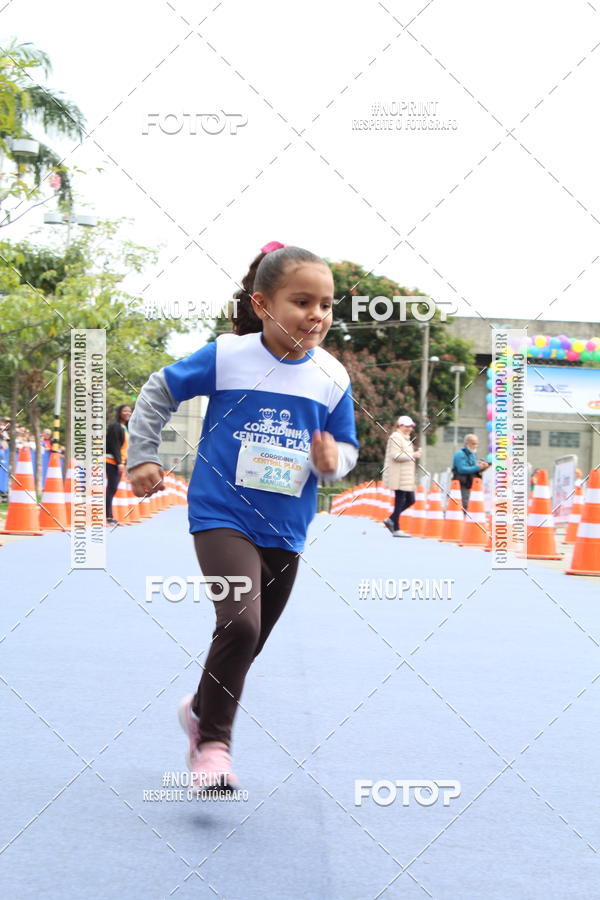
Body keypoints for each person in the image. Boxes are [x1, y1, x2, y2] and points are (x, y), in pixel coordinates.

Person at [127, 242, 359, 791]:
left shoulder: (331, 376)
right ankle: (213, 746)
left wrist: (334, 461)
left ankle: (199, 710)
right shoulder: (229, 356)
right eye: (302, 301)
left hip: (286, 526)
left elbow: (346, 449)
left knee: (248, 642)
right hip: (221, 513)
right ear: (262, 304)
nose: (316, 315)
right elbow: (160, 389)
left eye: (326, 305)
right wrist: (142, 454)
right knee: (240, 623)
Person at [382, 415, 421, 536]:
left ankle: (391, 519)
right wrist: (414, 455)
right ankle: (396, 527)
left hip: (405, 476)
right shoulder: (396, 437)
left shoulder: (405, 439)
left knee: (410, 500)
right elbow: (395, 455)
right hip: (398, 475)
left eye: (411, 426)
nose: (409, 429)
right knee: (400, 501)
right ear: (399, 426)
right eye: (407, 426)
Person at [105, 404, 132, 524]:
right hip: (112, 461)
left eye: (129, 411)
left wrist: (125, 463)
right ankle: (108, 516)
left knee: (113, 488)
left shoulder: (125, 427)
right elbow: (114, 445)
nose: (127, 413)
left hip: (120, 461)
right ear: (119, 412)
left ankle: (108, 515)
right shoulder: (115, 426)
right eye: (125, 411)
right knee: (111, 488)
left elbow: (125, 448)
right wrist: (119, 462)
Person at [452, 433, 489, 512]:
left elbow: (473, 468)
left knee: (471, 506)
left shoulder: (472, 454)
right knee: (465, 505)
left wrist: (482, 467)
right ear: (466, 444)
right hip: (462, 484)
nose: (475, 446)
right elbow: (462, 469)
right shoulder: (460, 454)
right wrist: (478, 467)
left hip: (471, 484)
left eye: (476, 444)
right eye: (473, 443)